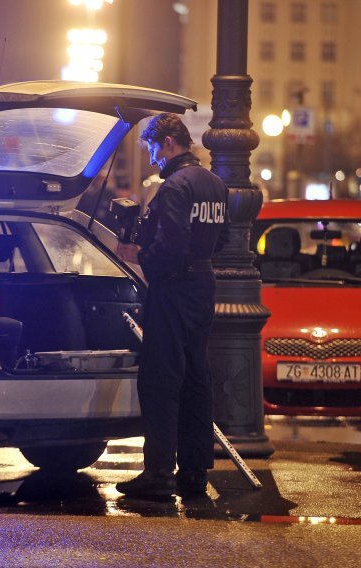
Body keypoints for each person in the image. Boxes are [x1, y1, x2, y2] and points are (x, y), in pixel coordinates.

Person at [115, 113, 229, 498]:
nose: (152, 159)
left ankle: (159, 473)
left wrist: (137, 252)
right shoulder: (214, 184)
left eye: (152, 149)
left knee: (160, 379)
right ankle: (195, 472)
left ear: (167, 142)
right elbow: (224, 239)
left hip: (173, 288)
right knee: (197, 378)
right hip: (202, 287)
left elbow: (169, 247)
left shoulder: (175, 186)